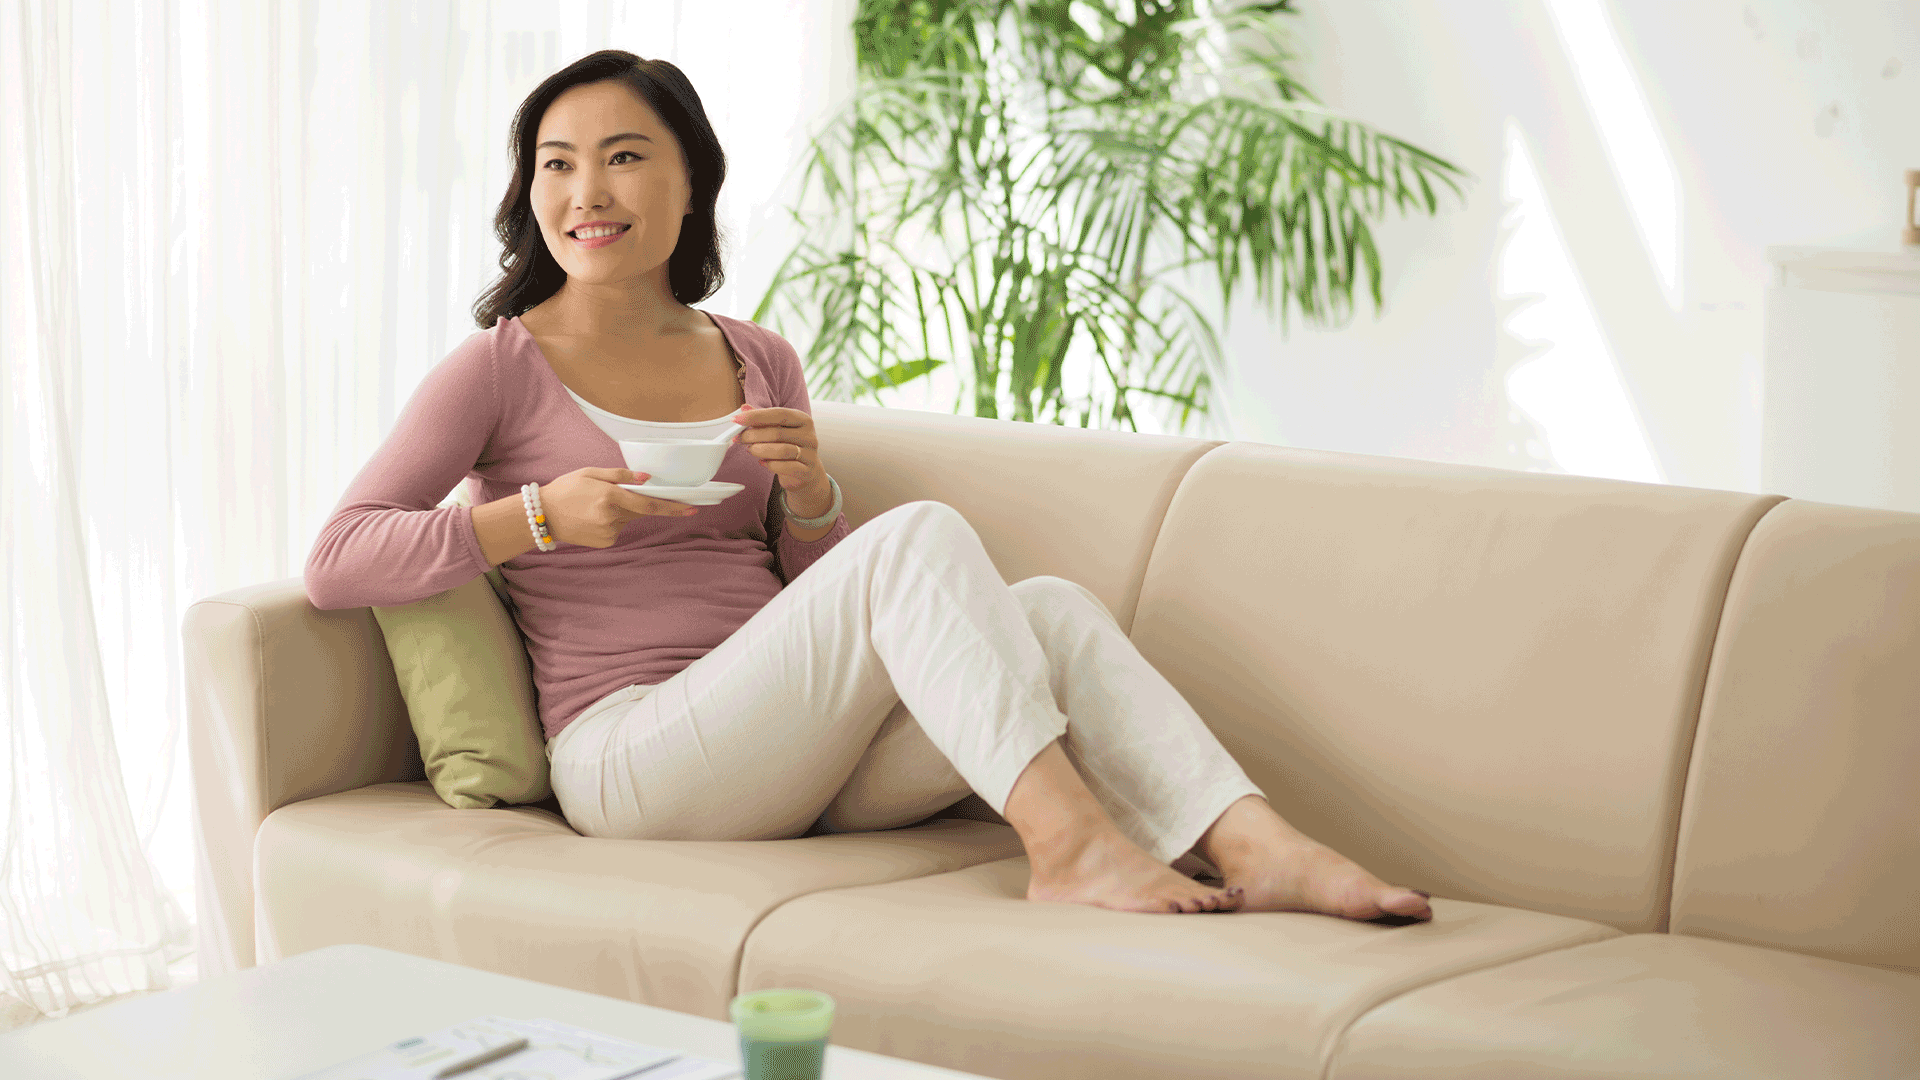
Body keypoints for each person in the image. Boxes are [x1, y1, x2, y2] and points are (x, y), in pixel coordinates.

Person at [304, 49, 1432, 924]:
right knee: (926, 534)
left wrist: (807, 502)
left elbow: (828, 597)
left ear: (691, 183)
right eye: (558, 160)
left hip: (794, 756)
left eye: (625, 155)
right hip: (633, 758)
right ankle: (1073, 849)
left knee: (1051, 612)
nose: (586, 189)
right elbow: (338, 556)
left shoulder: (755, 356)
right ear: (531, 189)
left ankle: (1255, 845)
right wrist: (537, 517)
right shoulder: (499, 366)